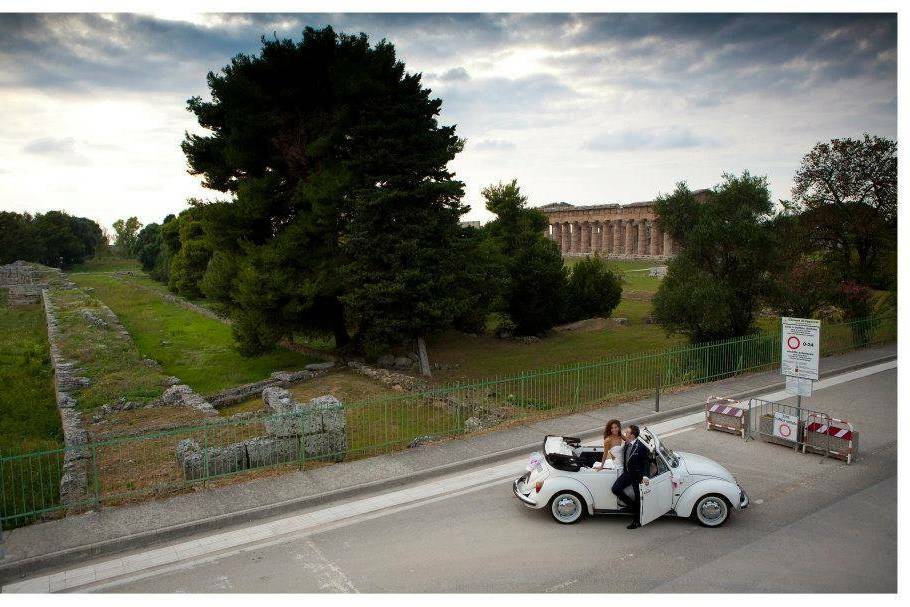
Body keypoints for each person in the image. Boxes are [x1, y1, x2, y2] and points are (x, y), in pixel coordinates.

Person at [611, 425, 650, 529]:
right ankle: (632, 506)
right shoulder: (627, 442)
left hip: (637, 475)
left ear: (632, 435)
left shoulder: (641, 447)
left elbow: (646, 462)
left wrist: (645, 476)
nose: (625, 434)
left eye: (627, 433)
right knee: (615, 489)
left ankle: (637, 521)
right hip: (627, 473)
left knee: (638, 498)